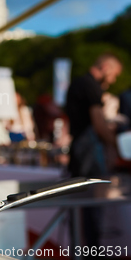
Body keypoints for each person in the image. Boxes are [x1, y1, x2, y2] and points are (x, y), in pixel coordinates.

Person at [65, 53, 122, 254]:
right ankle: (91, 251)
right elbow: (98, 123)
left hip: (80, 149)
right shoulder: (90, 86)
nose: (113, 80)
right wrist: (117, 145)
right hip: (86, 150)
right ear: (105, 67)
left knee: (82, 205)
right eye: (114, 74)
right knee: (93, 202)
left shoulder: (79, 83)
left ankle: (84, 249)